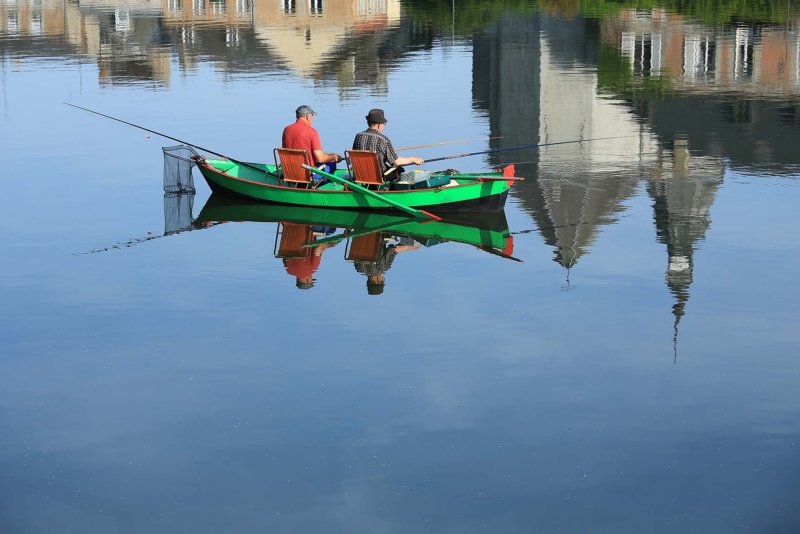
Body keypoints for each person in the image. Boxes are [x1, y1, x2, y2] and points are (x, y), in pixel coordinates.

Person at [352, 109, 423, 181]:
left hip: (359, 175)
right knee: (400, 170)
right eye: (384, 124)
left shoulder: (358, 136)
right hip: (378, 177)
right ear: (379, 125)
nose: (383, 126)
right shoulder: (383, 140)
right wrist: (413, 159)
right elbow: (396, 162)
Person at [282, 105, 343, 174]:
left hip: (290, 172)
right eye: (312, 116)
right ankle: (326, 184)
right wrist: (334, 156)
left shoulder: (286, 129)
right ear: (308, 117)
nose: (312, 119)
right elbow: (320, 158)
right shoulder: (312, 131)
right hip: (307, 174)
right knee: (332, 164)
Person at [353, 234, 420, 295]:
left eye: (382, 280)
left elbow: (393, 249)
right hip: (360, 235)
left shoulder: (382, 268)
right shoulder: (359, 268)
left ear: (379, 281)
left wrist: (410, 248)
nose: (382, 278)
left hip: (378, 234)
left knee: (416, 244)